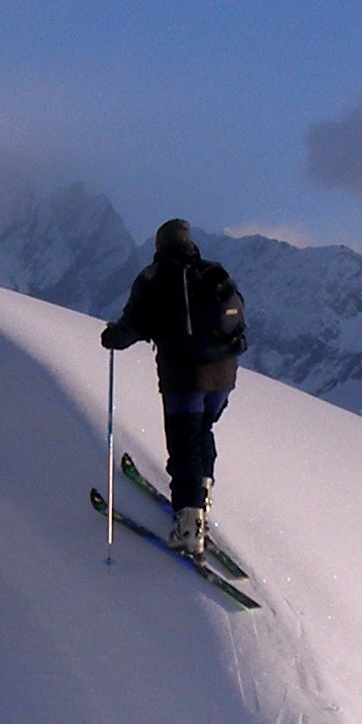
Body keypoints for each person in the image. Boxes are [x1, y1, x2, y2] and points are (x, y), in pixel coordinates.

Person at [100, 219, 247, 557]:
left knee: (182, 446)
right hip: (224, 375)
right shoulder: (214, 274)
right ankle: (201, 495)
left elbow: (132, 325)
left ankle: (188, 525)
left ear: (160, 246)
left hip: (184, 376)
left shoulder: (155, 278)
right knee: (202, 432)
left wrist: (111, 337)